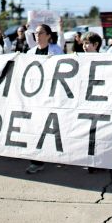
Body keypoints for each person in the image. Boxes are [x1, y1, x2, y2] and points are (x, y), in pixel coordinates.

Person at [25, 24, 64, 174]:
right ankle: (36, 161)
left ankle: (56, 155)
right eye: (35, 33)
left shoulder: (56, 51)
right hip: (35, 97)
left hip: (53, 95)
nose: (37, 35)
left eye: (40, 33)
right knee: (36, 128)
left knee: (53, 127)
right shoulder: (29, 53)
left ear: (48, 35)